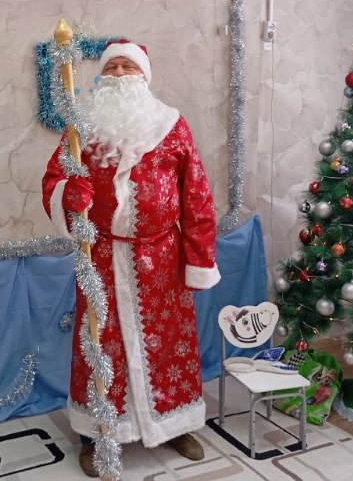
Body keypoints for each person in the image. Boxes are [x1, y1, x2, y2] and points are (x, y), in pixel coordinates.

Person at [42, 40, 220, 477]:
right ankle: (97, 434)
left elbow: (196, 195)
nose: (120, 74)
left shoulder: (172, 125)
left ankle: (175, 423)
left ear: (144, 76)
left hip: (162, 259)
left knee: (170, 346)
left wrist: (199, 259)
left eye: (129, 67)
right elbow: (54, 180)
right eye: (112, 67)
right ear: (102, 77)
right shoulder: (82, 129)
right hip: (101, 257)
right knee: (100, 346)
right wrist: (68, 195)